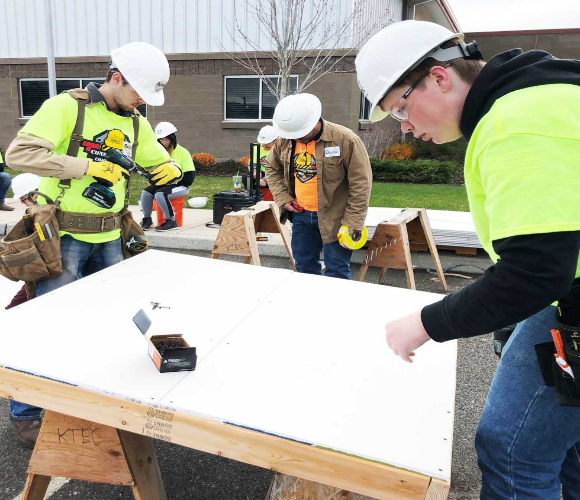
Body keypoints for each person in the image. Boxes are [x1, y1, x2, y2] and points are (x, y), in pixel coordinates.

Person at [356, 20, 580, 498]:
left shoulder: (515, 122)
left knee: (513, 451)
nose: (408, 127)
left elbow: (535, 272)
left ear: (439, 77)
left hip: (569, 296)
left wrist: (426, 321)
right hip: (567, 287)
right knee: (568, 444)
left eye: (401, 108)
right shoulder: (540, 94)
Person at [5, 41, 182, 448]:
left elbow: (158, 160)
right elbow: (20, 154)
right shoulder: (68, 107)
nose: (142, 101)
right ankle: (28, 412)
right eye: (138, 91)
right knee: (50, 325)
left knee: (112, 321)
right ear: (115, 78)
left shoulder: (136, 123)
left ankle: (89, 395)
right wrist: (85, 165)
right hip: (63, 236)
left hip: (109, 235)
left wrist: (167, 169)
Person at [266, 93, 372, 280]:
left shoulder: (345, 140)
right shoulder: (285, 140)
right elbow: (272, 168)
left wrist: (353, 221)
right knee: (304, 268)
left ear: (315, 122)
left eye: (300, 133)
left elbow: (361, 183)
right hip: (301, 216)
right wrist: (283, 198)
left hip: (336, 218)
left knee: (337, 270)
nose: (297, 138)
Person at [140, 121, 195, 231]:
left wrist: (172, 179)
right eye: (161, 139)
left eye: (166, 139)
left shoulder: (183, 152)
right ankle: (147, 219)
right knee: (146, 192)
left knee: (160, 194)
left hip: (181, 186)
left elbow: (190, 177)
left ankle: (171, 221)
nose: (164, 142)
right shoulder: (158, 153)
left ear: (172, 138)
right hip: (164, 185)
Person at [244, 125, 277, 201]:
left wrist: (265, 180)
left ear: (276, 141)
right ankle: (250, 197)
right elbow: (252, 163)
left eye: (268, 143)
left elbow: (279, 172)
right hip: (261, 173)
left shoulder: (279, 151)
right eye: (263, 143)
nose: (265, 145)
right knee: (247, 176)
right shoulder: (257, 148)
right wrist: (256, 171)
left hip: (273, 175)